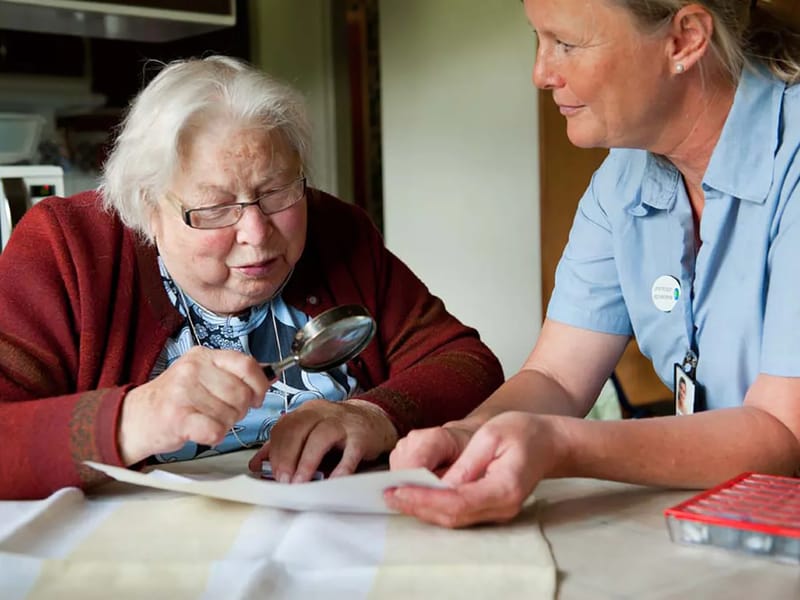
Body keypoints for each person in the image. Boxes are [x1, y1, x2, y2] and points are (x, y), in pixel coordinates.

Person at [0, 55, 504, 500]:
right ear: (148, 209)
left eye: (278, 191)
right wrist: (135, 417)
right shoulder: (68, 248)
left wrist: (373, 415)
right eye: (216, 208)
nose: (257, 233)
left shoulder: (336, 229)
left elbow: (466, 363)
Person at [385, 0, 800, 527]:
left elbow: (783, 434)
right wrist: (467, 438)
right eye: (538, 39)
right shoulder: (622, 179)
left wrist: (558, 444)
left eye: (567, 43)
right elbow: (556, 377)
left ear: (685, 40)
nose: (541, 73)